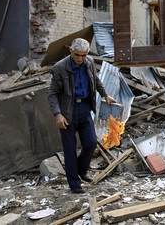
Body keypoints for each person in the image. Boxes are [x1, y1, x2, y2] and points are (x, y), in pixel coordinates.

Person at [47, 38, 116, 194]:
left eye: (83, 55)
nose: (80, 59)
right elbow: (52, 93)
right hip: (67, 112)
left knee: (91, 142)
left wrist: (105, 94)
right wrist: (57, 115)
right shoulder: (60, 68)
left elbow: (96, 80)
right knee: (70, 149)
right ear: (71, 50)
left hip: (84, 108)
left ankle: (81, 170)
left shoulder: (89, 63)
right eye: (77, 55)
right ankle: (74, 183)